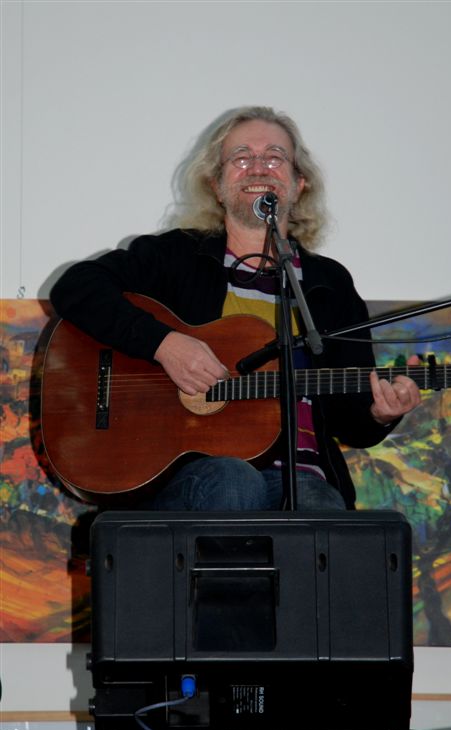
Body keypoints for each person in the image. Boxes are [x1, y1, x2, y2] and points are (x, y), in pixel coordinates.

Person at [50, 105, 421, 512]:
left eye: (275, 157)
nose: (258, 168)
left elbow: (352, 422)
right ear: (217, 184)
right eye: (241, 158)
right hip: (193, 476)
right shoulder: (177, 257)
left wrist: (380, 413)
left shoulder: (329, 284)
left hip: (303, 476)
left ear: (299, 184)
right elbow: (76, 287)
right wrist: (164, 344)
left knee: (321, 507)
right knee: (234, 481)